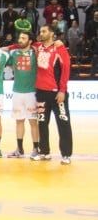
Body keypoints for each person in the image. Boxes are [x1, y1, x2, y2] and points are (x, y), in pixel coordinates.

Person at [32, 25, 73, 164]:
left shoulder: (59, 48)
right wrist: (3, 48)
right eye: (40, 31)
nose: (41, 33)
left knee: (63, 123)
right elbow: (20, 45)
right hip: (41, 92)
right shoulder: (37, 46)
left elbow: (66, 69)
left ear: (51, 33)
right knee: (42, 123)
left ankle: (66, 154)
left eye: (44, 31)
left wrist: (62, 90)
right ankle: (44, 152)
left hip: (56, 93)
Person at [4, 31, 40, 158]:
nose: (20, 40)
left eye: (24, 38)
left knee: (33, 122)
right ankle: (19, 149)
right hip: (17, 92)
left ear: (30, 41)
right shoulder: (14, 53)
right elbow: (2, 56)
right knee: (19, 121)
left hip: (32, 93)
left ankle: (36, 148)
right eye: (20, 38)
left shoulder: (36, 53)